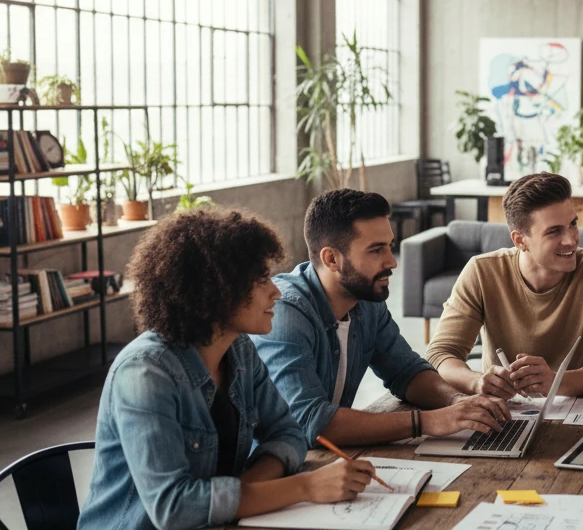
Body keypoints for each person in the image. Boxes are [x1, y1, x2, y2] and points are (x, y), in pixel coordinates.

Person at [79, 208, 376, 530]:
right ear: (215, 289)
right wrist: (304, 487)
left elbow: (287, 433)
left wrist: (249, 492)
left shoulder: (238, 350)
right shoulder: (145, 374)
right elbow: (173, 507)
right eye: (261, 279)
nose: (275, 290)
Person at [252, 189, 509, 447]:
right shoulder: (285, 314)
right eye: (376, 250)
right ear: (331, 259)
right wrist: (427, 421)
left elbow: (406, 372)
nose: (391, 262)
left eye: (390, 247)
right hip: (271, 475)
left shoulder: (366, 301)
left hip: (327, 460)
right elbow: (311, 422)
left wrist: (456, 401)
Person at [426, 172, 583, 399]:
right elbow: (439, 354)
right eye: (554, 231)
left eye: (573, 224)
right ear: (519, 240)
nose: (571, 239)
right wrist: (476, 382)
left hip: (576, 405)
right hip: (505, 412)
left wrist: (556, 381)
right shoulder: (481, 271)